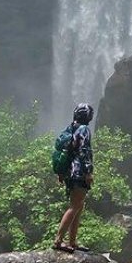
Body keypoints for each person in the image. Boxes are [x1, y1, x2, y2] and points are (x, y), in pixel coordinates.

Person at [53, 103, 94, 253]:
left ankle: (72, 241)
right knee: (75, 206)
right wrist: (88, 171)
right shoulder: (84, 129)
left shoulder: (71, 128)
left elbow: (65, 151)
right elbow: (84, 151)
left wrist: (61, 172)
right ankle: (58, 241)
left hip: (70, 172)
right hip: (79, 172)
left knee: (78, 205)